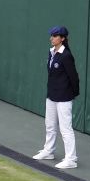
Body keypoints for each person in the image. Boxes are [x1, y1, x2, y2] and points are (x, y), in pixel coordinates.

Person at [32, 26, 80, 170]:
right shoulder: (52, 51)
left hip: (64, 98)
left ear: (63, 38)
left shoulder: (66, 56)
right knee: (50, 125)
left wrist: (72, 94)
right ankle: (49, 151)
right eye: (51, 35)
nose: (51, 38)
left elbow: (74, 78)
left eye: (55, 36)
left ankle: (71, 159)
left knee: (65, 129)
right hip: (51, 95)